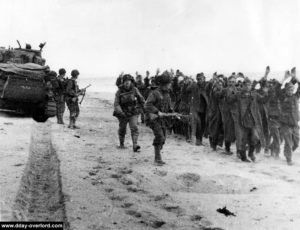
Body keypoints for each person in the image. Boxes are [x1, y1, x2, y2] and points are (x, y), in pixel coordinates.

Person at [145, 73, 174, 166]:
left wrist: (172, 113)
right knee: (160, 137)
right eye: (169, 84)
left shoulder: (167, 94)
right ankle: (157, 159)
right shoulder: (155, 93)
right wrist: (157, 112)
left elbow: (169, 107)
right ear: (164, 84)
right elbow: (147, 105)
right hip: (154, 119)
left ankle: (158, 149)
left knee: (163, 138)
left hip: (163, 119)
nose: (170, 85)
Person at [113, 74, 145, 152]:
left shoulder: (134, 89)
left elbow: (141, 100)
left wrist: (143, 108)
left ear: (131, 81)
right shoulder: (119, 91)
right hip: (123, 113)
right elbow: (116, 104)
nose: (127, 82)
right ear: (123, 82)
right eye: (125, 81)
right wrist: (120, 112)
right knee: (122, 129)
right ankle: (121, 144)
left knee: (134, 127)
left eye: (129, 81)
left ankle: (135, 145)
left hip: (133, 112)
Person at [278, 69, 300, 165]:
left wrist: (295, 78)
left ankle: (287, 152)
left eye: (292, 90)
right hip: (285, 124)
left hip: (295, 124)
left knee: (296, 143)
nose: (291, 91)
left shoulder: (295, 97)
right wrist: (284, 78)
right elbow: (277, 89)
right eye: (289, 90)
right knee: (288, 142)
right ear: (286, 90)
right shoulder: (282, 97)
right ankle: (288, 159)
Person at [186, 73, 208, 146]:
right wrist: (189, 83)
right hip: (195, 108)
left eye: (201, 79)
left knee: (202, 125)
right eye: (198, 79)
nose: (199, 80)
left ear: (204, 79)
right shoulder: (194, 85)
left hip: (204, 109)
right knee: (196, 123)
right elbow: (187, 90)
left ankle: (199, 141)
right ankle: (192, 139)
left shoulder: (206, 86)